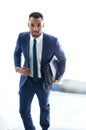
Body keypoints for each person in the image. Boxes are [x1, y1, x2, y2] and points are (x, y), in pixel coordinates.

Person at [14, 12, 66, 130]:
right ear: (28, 25)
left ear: (43, 25)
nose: (35, 28)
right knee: (23, 111)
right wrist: (18, 68)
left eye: (39, 25)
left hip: (44, 82)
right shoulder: (22, 37)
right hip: (27, 81)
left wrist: (58, 78)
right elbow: (17, 52)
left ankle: (44, 128)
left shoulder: (53, 41)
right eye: (32, 25)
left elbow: (62, 59)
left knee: (44, 108)